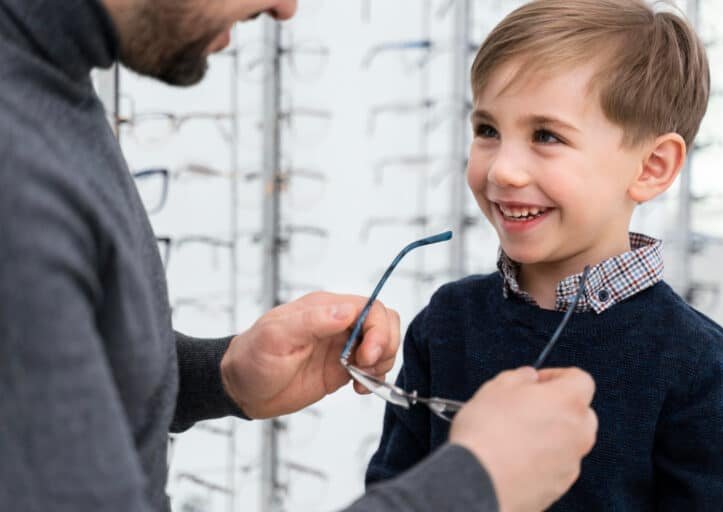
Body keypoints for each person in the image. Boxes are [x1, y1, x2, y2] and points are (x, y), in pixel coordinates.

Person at [0, 0, 598, 511]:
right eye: (487, 130)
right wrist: (475, 485)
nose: (287, 8)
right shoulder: (18, 173)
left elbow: (45, 393)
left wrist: (219, 375)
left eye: (548, 136)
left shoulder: (45, 83)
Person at [366, 0, 723, 510]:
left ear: (650, 167)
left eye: (546, 136)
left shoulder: (701, 366)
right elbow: (393, 490)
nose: (503, 171)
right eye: (487, 130)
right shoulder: (446, 322)